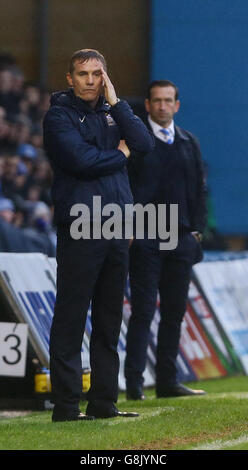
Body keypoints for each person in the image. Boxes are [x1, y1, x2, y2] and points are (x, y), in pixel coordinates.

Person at [43, 49, 154, 422]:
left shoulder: (112, 113)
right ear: (69, 78)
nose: (90, 80)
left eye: (97, 74)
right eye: (83, 74)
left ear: (105, 77)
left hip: (116, 226)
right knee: (72, 316)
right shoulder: (58, 116)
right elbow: (82, 162)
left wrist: (118, 103)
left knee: (108, 319)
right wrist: (121, 155)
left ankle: (104, 402)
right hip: (80, 224)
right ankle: (66, 406)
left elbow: (146, 143)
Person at [124, 80, 207, 400]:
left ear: (177, 105)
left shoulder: (189, 142)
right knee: (143, 312)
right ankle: (133, 384)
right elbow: (124, 189)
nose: (162, 106)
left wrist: (196, 230)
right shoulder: (135, 142)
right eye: (156, 100)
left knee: (174, 313)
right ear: (146, 105)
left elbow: (199, 190)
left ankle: (167, 382)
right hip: (145, 238)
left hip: (182, 239)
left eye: (167, 100)